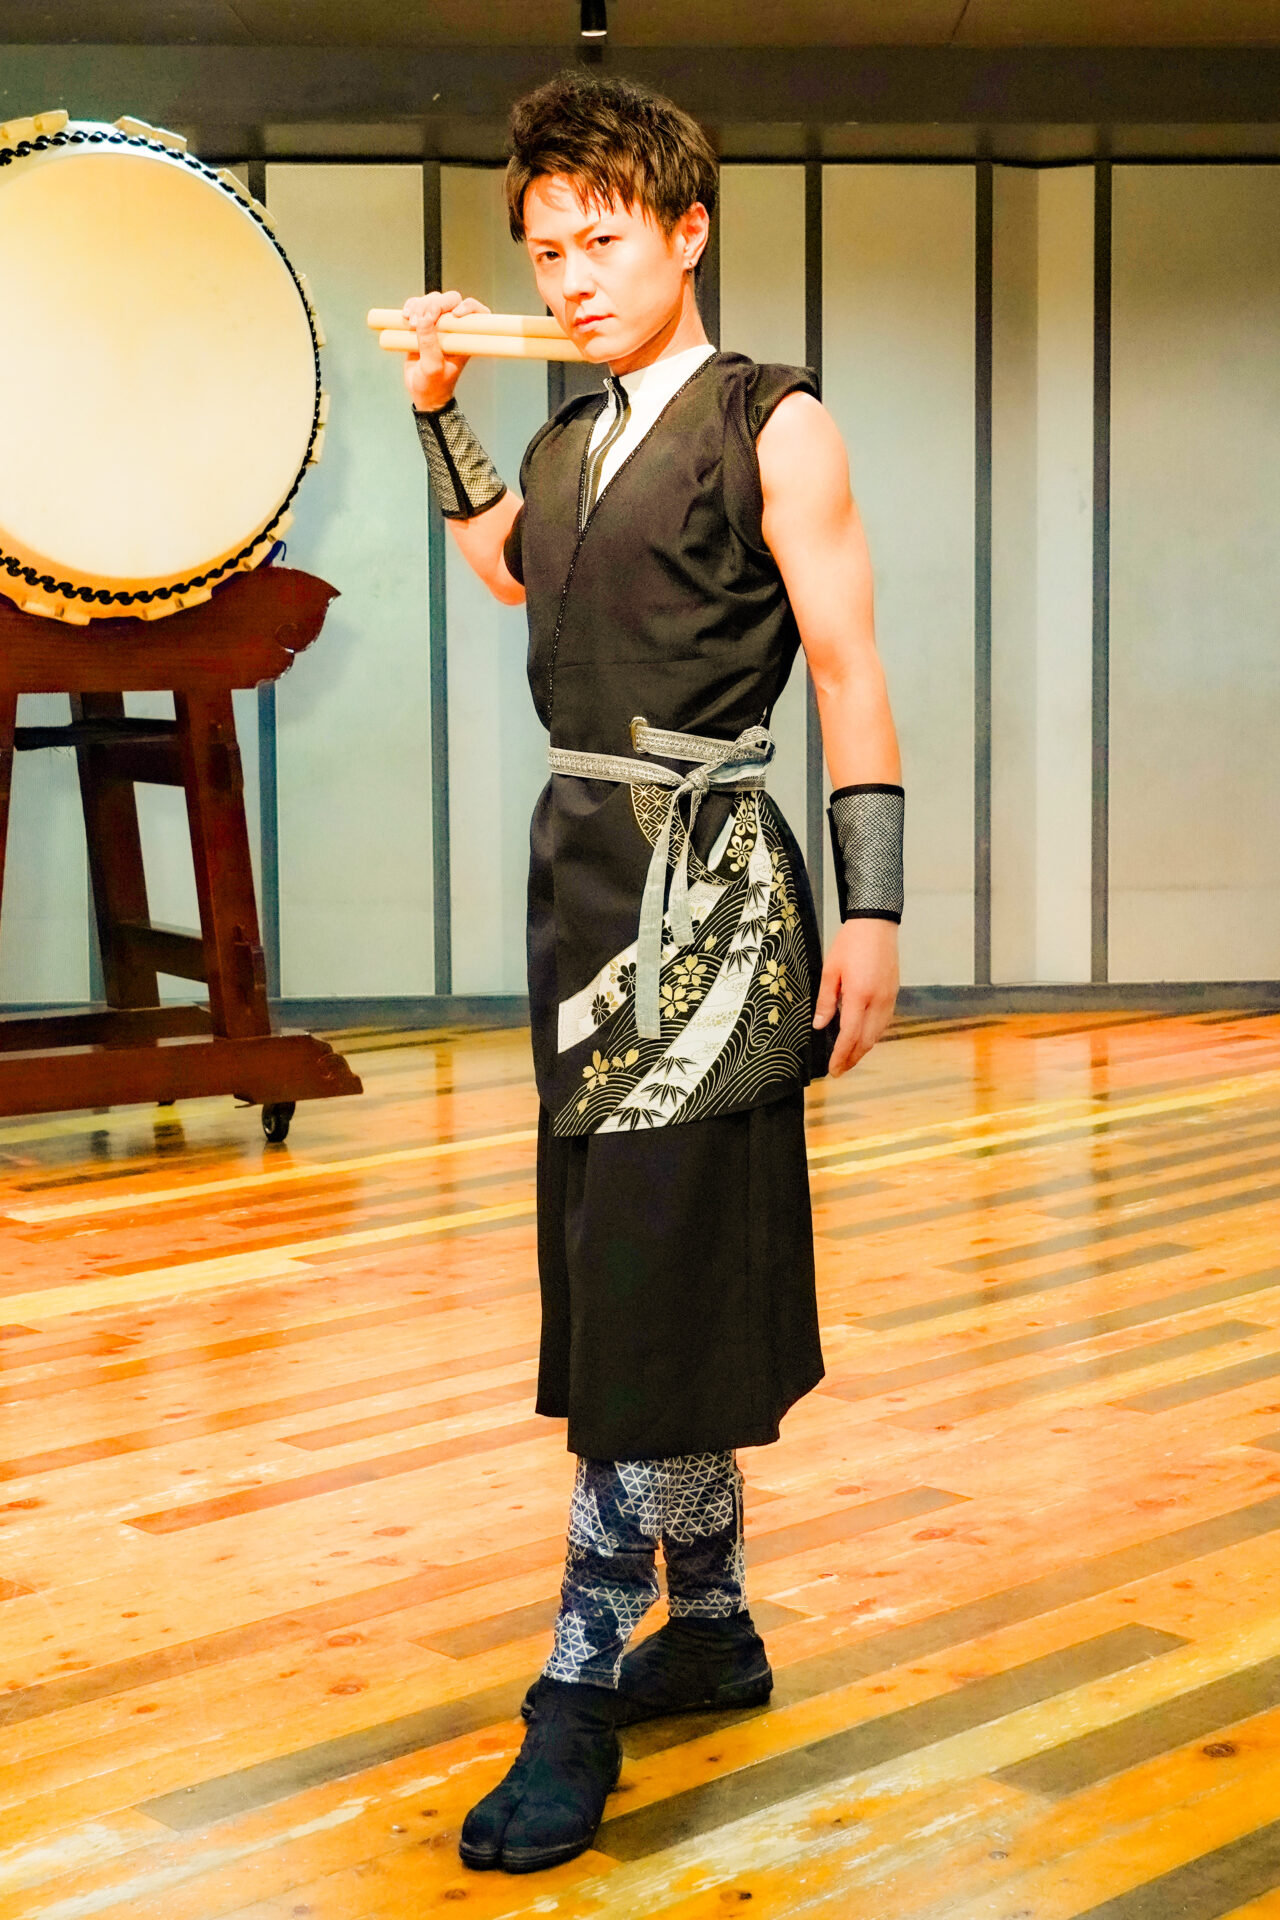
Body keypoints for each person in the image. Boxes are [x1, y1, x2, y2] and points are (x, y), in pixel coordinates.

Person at [404, 70, 903, 1877]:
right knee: (645, 1262)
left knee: (648, 1268)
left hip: (715, 897)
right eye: (546, 250)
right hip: (583, 881)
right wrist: (441, 414)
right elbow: (509, 571)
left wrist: (873, 913)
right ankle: (718, 1626)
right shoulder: (568, 436)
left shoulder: (775, 422)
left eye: (602, 240)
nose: (572, 276)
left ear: (688, 230)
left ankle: (578, 1690)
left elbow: (846, 669)